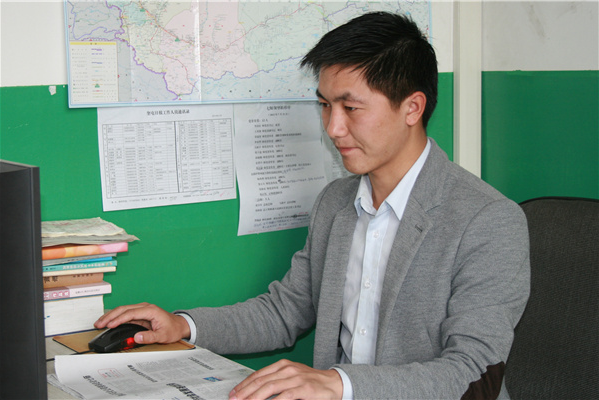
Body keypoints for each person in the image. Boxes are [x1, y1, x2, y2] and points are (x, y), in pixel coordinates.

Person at [95, 12, 530, 400]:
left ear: (412, 108)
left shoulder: (487, 220)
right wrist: (184, 326)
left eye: (351, 107)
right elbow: (285, 312)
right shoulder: (336, 202)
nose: (333, 127)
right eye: (324, 105)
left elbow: (473, 374)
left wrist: (339, 385)